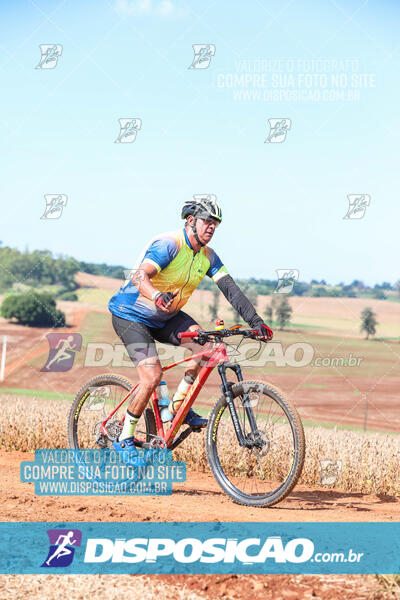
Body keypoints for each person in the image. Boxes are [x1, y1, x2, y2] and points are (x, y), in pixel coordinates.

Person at [108, 198, 273, 463]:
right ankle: (124, 437)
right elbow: (140, 276)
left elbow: (230, 289)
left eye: (215, 224)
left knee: (206, 349)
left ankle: (177, 410)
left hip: (166, 316)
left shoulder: (208, 256)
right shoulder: (169, 244)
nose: (211, 227)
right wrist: (156, 295)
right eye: (207, 221)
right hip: (131, 314)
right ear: (190, 221)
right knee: (151, 377)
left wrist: (256, 321)